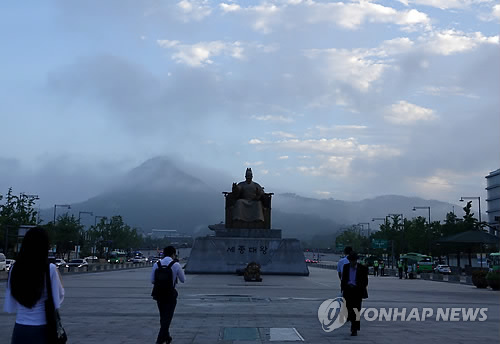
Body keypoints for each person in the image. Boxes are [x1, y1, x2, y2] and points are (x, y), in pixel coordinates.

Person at [4, 227, 65, 344]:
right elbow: (58, 298)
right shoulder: (50, 269)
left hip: (20, 328)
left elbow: (11, 301)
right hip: (42, 328)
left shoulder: (14, 269)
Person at [151, 246, 185, 344]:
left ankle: (167, 336)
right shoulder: (176, 265)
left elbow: (152, 280)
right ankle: (160, 340)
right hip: (170, 294)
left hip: (158, 294)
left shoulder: (156, 264)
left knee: (163, 316)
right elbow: (183, 280)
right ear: (173, 254)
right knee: (168, 317)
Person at [341, 252, 369, 336]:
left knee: (356, 310)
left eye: (353, 261)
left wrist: (358, 286)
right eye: (351, 261)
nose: (352, 263)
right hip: (348, 290)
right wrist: (344, 287)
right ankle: (350, 317)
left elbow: (365, 281)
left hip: (357, 291)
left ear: (356, 260)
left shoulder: (362, 268)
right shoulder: (346, 267)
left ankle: (355, 328)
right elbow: (343, 279)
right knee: (348, 308)